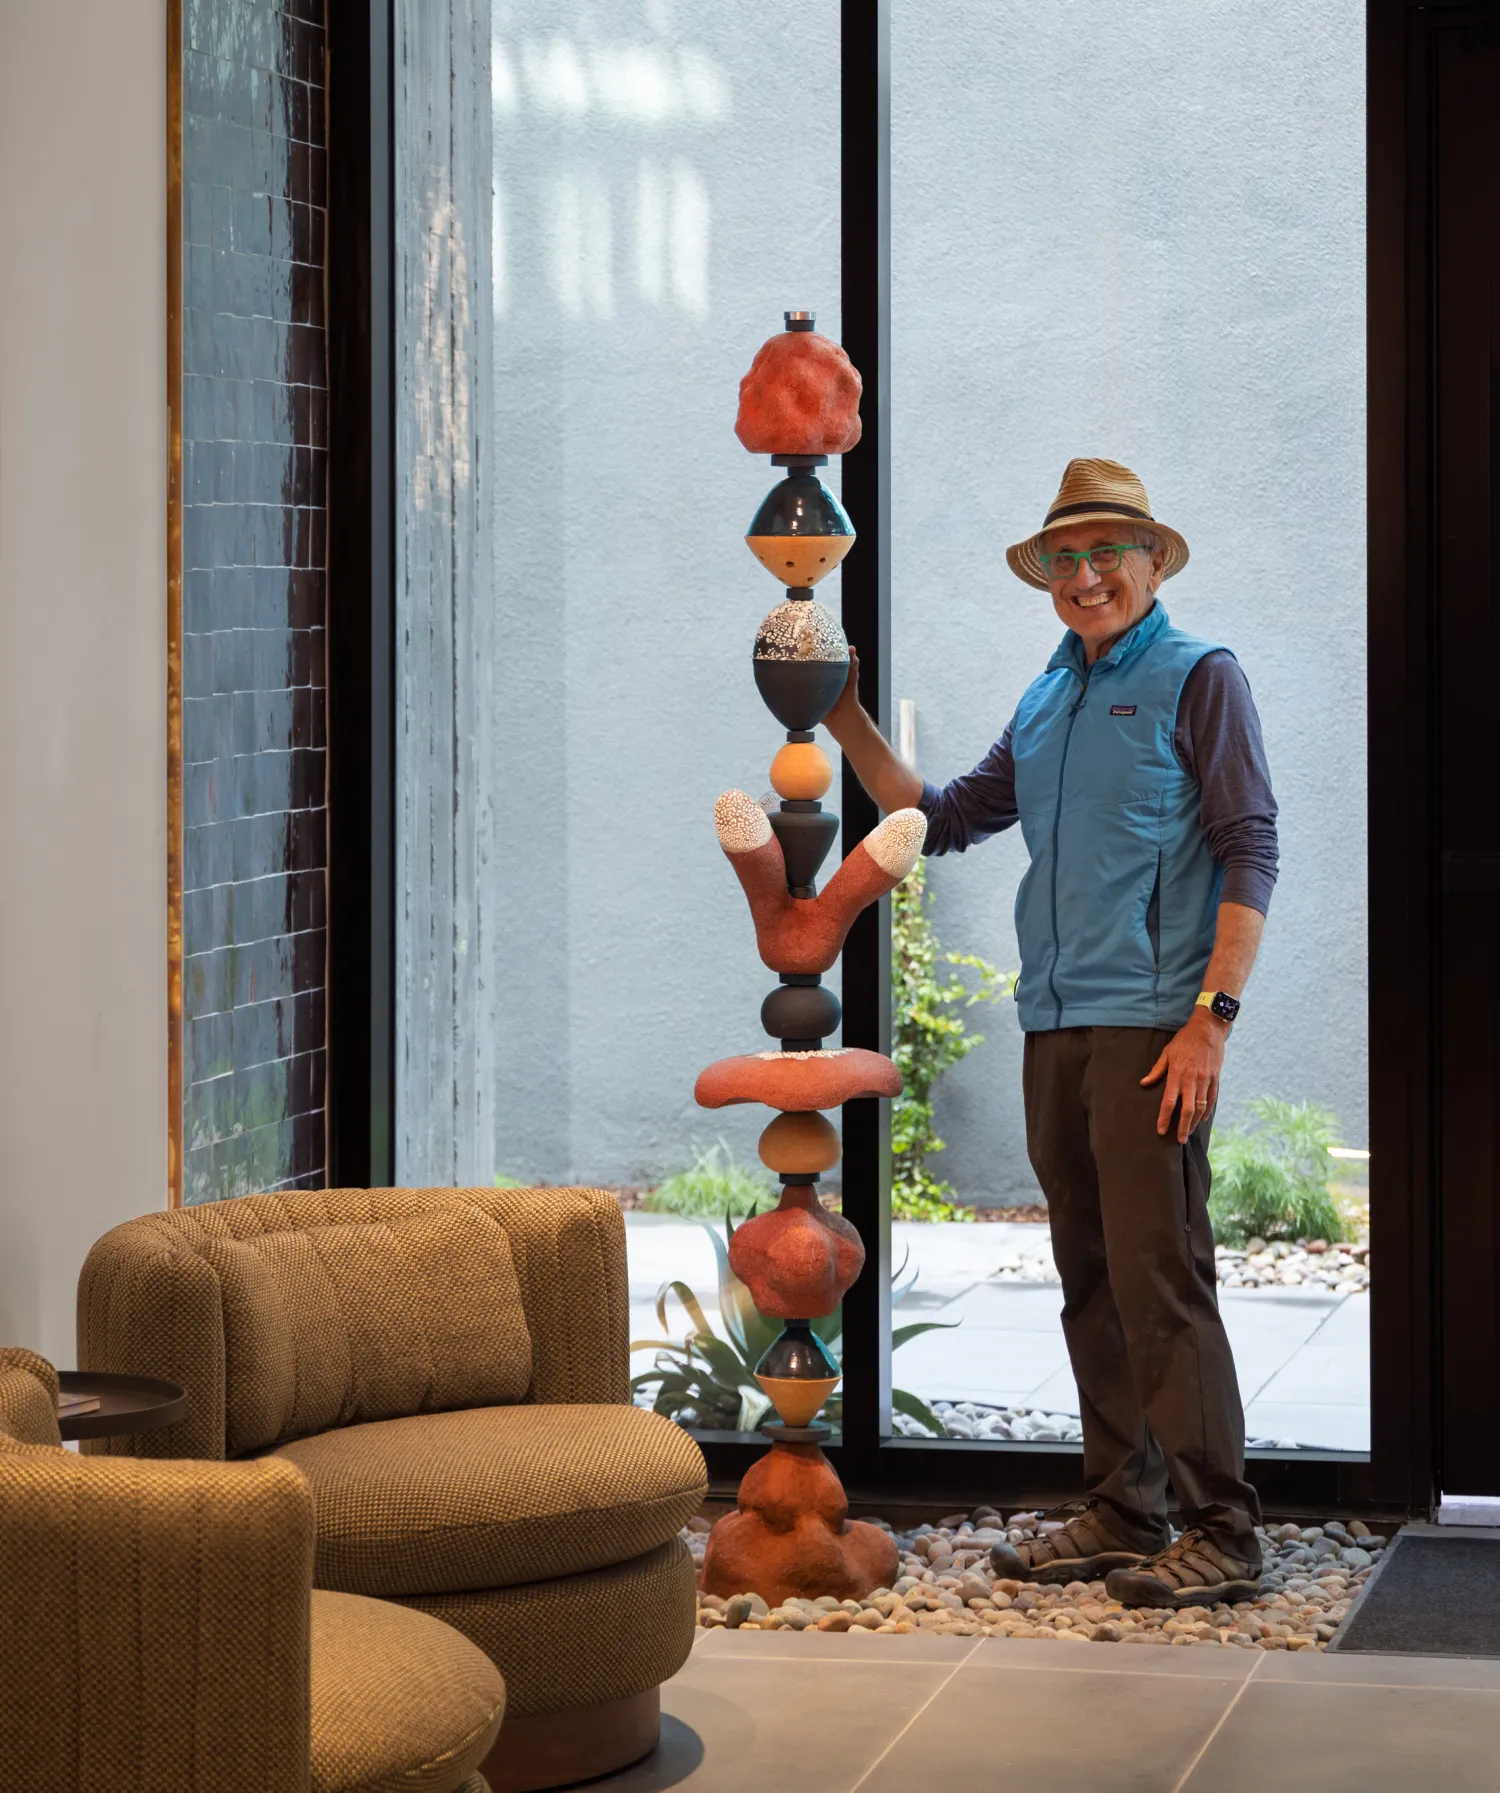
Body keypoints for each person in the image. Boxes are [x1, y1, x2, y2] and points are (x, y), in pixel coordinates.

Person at [824, 458, 1278, 1607]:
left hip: (1151, 1028)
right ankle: (1129, 1505)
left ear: (1149, 561)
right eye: (1065, 559)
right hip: (1055, 1024)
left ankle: (1224, 1522)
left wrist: (1211, 1021)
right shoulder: (1046, 697)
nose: (1086, 576)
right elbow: (945, 819)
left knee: (1160, 1274)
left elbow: (1250, 849)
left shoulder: (1198, 677)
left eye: (1106, 553)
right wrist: (840, 713)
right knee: (1088, 1275)